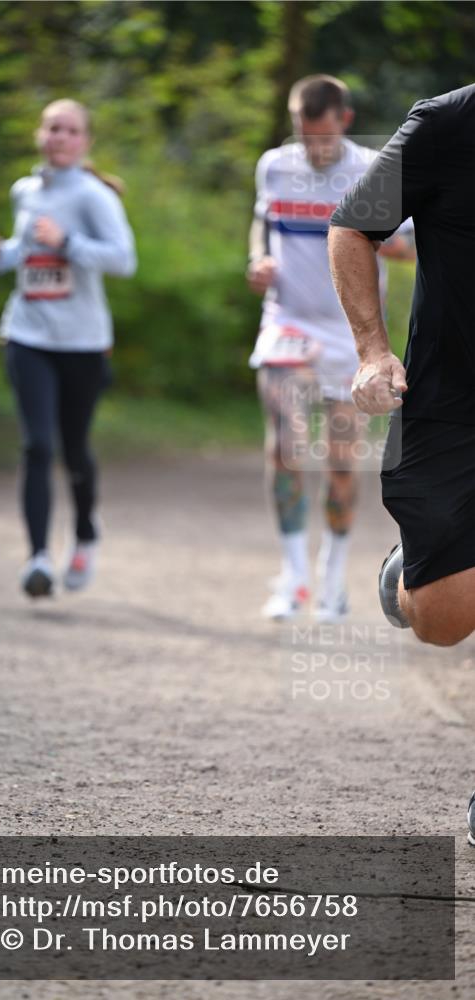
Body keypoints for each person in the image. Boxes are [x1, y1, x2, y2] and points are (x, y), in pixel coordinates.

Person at [328, 84, 474, 848]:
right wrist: (372, 350)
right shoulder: (447, 123)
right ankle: (404, 577)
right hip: (453, 406)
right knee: (445, 622)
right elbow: (353, 226)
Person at [247, 75, 414, 622]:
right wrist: (258, 261)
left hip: (351, 333)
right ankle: (294, 576)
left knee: (342, 462)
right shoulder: (274, 164)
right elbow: (261, 220)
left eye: (323, 135)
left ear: (344, 119)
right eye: (304, 133)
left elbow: (409, 249)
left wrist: (377, 238)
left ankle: (333, 579)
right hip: (288, 323)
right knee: (286, 449)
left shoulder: (374, 166)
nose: (315, 148)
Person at [0, 98, 136, 598]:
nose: (59, 137)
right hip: (27, 333)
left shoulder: (94, 197)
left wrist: (68, 241)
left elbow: (124, 261)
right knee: (37, 444)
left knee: (73, 449)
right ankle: (38, 558)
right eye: (52, 129)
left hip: (84, 344)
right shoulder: (25, 189)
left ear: (84, 141)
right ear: (40, 136)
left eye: (70, 130)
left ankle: (86, 530)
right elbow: (26, 253)